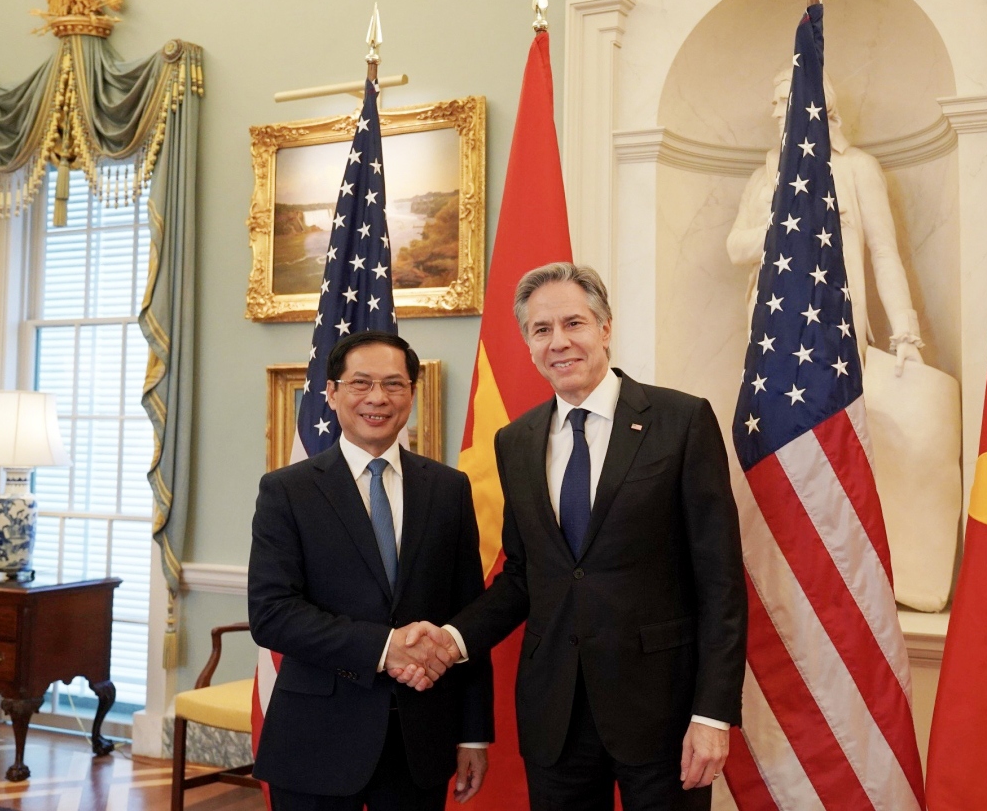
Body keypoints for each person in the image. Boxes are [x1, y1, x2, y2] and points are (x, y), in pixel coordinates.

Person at [404, 262, 748, 811]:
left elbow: (721, 581)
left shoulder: (680, 421)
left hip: (661, 714)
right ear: (527, 342)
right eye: (541, 330)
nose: (559, 342)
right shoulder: (515, 442)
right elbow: (523, 576)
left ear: (605, 327)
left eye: (574, 323)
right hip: (555, 716)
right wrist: (453, 639)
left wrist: (712, 715)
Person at [248, 331, 493, 811]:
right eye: (360, 383)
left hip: (421, 741)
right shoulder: (286, 491)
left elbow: (469, 615)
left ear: (411, 394)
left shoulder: (448, 489)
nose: (378, 398)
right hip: (316, 740)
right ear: (333, 393)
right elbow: (272, 614)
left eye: (394, 385)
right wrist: (385, 647)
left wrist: (473, 736)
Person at [726, 68, 925, 373]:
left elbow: (884, 253)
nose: (775, 113)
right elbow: (736, 249)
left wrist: (905, 333)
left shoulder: (857, 168)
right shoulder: (762, 178)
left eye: (783, 102)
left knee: (832, 417)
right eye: (774, 104)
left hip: (834, 322)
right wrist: (791, 227)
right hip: (773, 325)